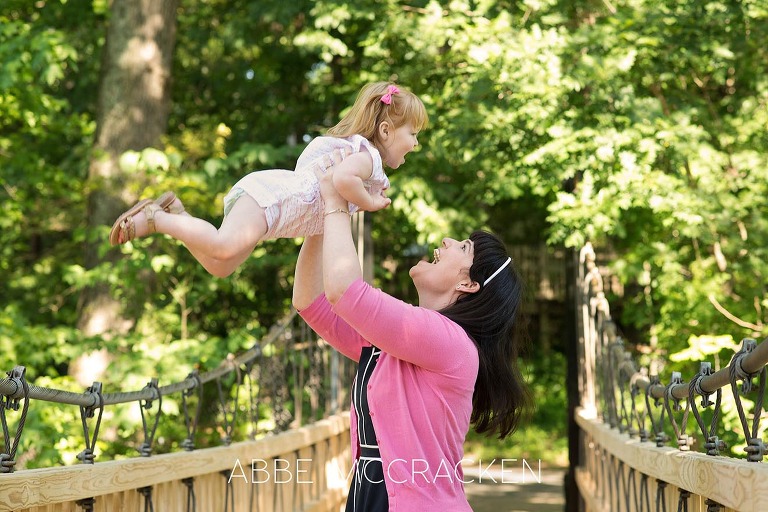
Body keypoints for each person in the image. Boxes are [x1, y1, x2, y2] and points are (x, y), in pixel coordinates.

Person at [292, 161, 532, 511]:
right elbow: (309, 301)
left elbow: (344, 291)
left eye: (463, 247)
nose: (447, 241)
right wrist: (319, 220)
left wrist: (337, 201)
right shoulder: (397, 341)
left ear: (468, 284)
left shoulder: (450, 341)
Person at [108, 82, 427, 278]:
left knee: (220, 266)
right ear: (385, 131)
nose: (415, 144)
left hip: (272, 206)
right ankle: (156, 219)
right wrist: (370, 201)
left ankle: (178, 213)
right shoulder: (367, 157)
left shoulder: (358, 153)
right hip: (273, 200)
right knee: (221, 245)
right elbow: (342, 179)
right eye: (412, 134)